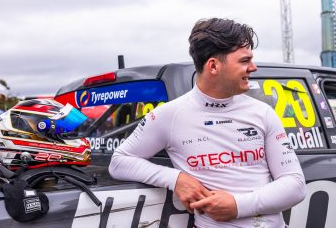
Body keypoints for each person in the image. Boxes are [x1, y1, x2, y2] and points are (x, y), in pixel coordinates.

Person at [109, 18, 306, 227]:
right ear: (213, 66)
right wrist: (176, 179)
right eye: (244, 61)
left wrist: (238, 205)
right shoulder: (170, 115)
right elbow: (120, 161)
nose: (253, 67)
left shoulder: (262, 112)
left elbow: (295, 185)